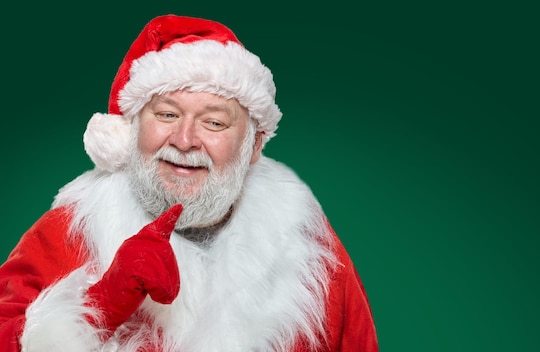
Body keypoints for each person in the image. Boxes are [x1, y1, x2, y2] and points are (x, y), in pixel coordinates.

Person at [0, 14, 378, 351]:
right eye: (166, 114)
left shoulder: (306, 248)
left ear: (253, 146)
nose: (183, 140)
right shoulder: (70, 231)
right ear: (131, 130)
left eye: (214, 122)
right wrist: (97, 309)